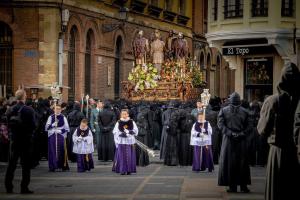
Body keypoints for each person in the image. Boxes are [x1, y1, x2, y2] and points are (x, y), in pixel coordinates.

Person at [257, 63, 300, 200]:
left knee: (276, 190)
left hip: (278, 151)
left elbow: (262, 130)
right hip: (295, 152)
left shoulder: (273, 101)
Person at [217, 92, 251, 193]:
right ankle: (243, 186)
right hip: (239, 138)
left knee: (230, 162)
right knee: (242, 162)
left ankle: (233, 186)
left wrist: (230, 133)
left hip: (229, 139)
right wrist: (241, 133)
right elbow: (250, 126)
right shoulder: (245, 111)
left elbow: (220, 125)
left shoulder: (224, 110)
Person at [4, 89, 36, 194]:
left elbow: (7, 125)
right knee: (26, 165)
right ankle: (24, 187)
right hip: (26, 140)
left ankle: (9, 187)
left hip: (14, 140)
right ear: (24, 97)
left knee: (11, 164)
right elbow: (33, 126)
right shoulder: (29, 110)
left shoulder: (9, 110)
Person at [112, 109, 138, 175]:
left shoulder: (132, 122)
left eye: (125, 114)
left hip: (129, 142)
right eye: (123, 114)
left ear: (128, 114)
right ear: (121, 115)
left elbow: (135, 130)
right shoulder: (118, 122)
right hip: (122, 141)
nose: (124, 115)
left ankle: (129, 170)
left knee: (129, 156)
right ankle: (122, 170)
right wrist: (121, 134)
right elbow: (115, 131)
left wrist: (129, 132)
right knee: (122, 156)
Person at [45, 104, 70, 172]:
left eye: (59, 109)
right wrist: (53, 125)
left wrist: (60, 131)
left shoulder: (63, 117)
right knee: (52, 150)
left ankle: (62, 165)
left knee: (61, 150)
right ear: (54, 110)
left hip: (60, 135)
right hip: (53, 134)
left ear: (61, 110)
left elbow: (67, 128)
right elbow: (46, 128)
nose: (58, 110)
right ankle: (53, 166)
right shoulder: (51, 117)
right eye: (56, 109)